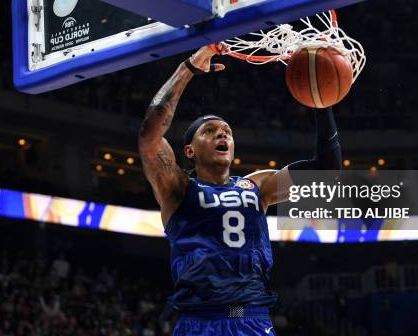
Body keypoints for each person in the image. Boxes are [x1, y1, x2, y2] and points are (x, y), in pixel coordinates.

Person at [138, 45, 342, 335]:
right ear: (189, 151)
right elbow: (148, 137)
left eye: (227, 131)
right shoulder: (177, 188)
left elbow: (327, 170)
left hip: (253, 321)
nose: (222, 133)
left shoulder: (258, 186)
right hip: (200, 323)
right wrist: (189, 69)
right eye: (209, 131)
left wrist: (322, 102)